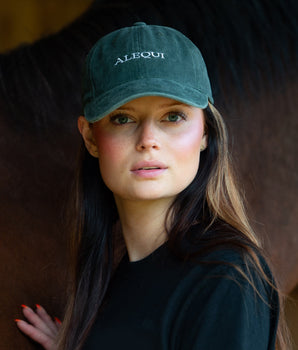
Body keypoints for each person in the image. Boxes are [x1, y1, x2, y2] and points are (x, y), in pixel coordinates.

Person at [15, 22, 284, 350]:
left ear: (205, 133)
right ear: (89, 137)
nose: (148, 141)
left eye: (173, 116)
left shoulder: (225, 277)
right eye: (123, 118)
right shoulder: (110, 281)